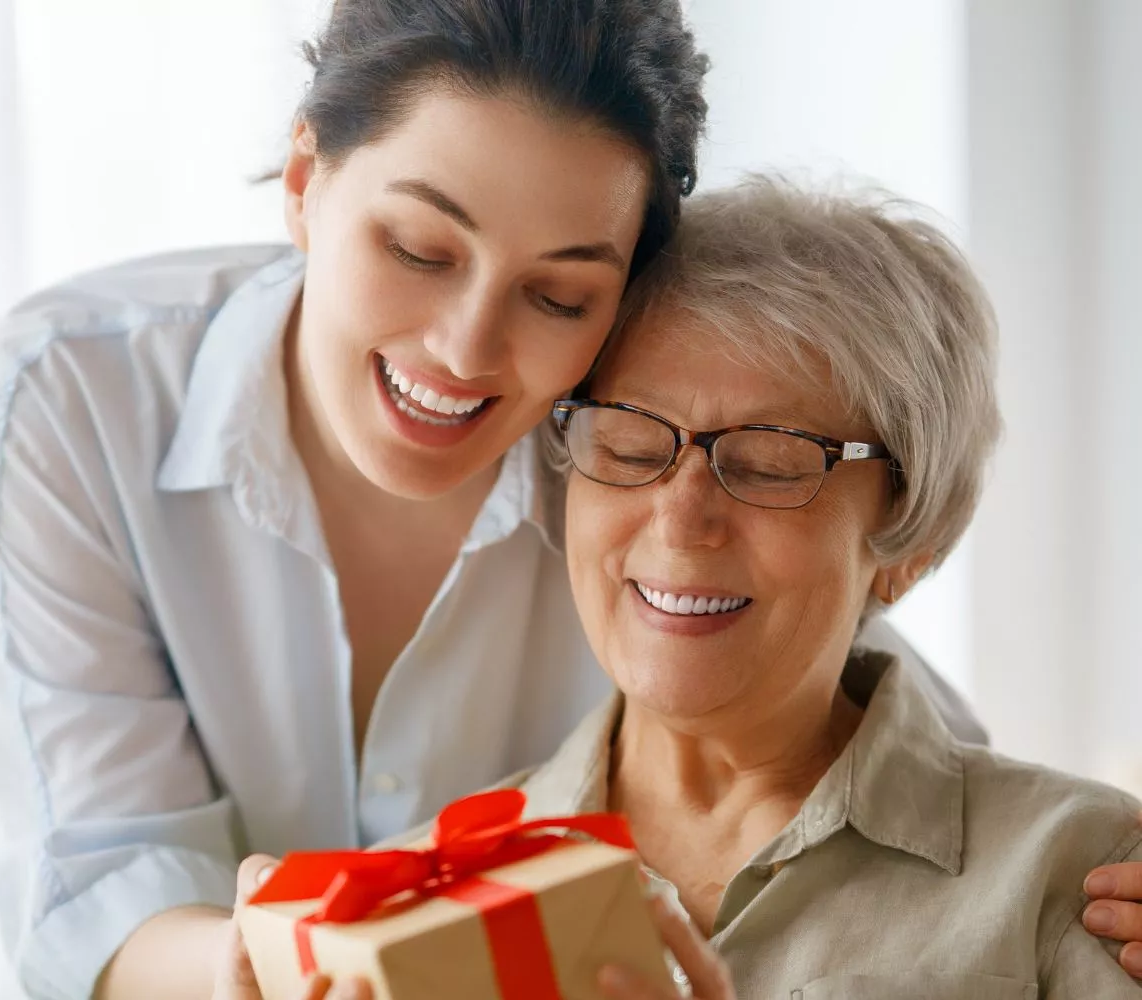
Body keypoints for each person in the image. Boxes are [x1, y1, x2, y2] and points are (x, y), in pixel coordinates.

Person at [0, 2, 1142, 997]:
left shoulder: (615, 432)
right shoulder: (75, 397)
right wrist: (335, 960)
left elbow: (861, 683)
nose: (466, 350)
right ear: (304, 179)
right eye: (418, 247)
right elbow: (95, 888)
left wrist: (1055, 861)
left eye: (560, 297)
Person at [450, 178, 1141, 998]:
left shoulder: (1080, 873)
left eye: (769, 465)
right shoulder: (426, 895)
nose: (681, 517)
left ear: (906, 539)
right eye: (632, 446)